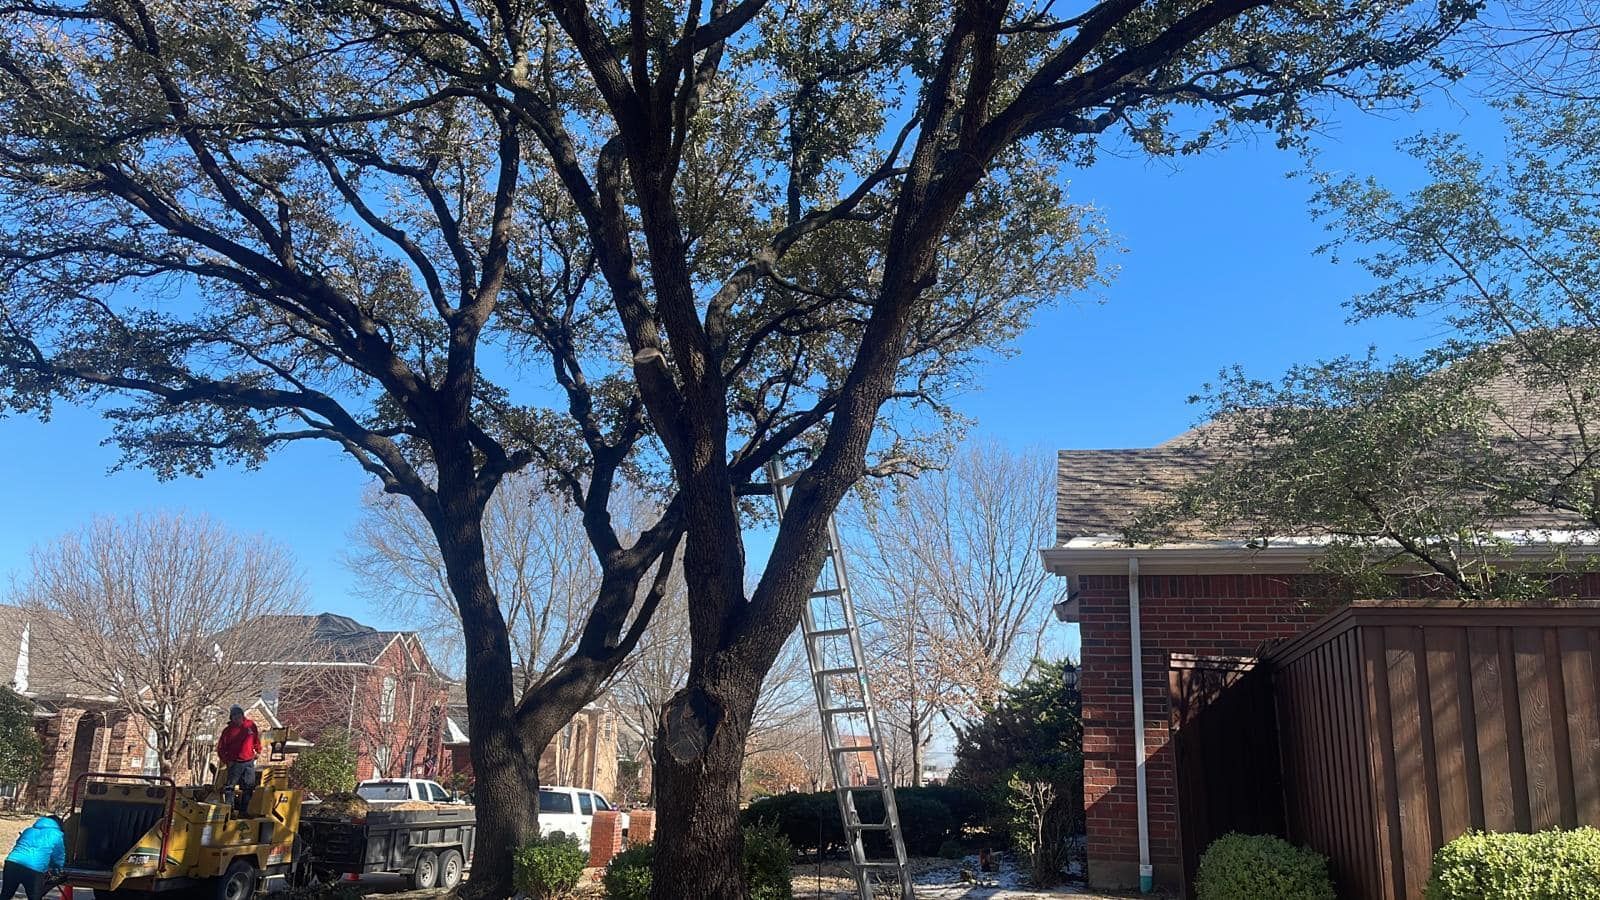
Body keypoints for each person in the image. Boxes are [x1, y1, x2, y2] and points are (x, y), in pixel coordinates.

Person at [1, 815, 63, 900]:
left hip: (12, 863)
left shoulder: (28, 830)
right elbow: (58, 856)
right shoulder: (57, 835)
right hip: (34, 869)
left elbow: (18, 843)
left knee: (6, 894)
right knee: (35, 897)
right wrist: (57, 869)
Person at [216, 705, 261, 810]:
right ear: (231, 718)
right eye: (234, 716)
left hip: (249, 761)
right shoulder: (228, 731)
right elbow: (221, 748)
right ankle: (229, 810)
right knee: (230, 787)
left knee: (248, 787)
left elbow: (256, 740)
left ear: (242, 715)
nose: (237, 718)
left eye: (239, 715)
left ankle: (244, 810)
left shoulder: (250, 725)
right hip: (235, 762)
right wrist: (227, 761)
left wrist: (258, 750)